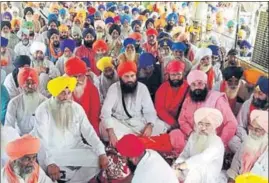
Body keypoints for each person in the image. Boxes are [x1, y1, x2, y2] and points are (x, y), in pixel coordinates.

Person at [34, 76, 108, 182]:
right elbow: (41, 140)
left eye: (69, 92)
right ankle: (68, 175)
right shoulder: (43, 110)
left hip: (75, 149)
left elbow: (89, 132)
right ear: (54, 93)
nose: (66, 96)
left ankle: (72, 180)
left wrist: (101, 152)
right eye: (62, 92)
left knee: (98, 159)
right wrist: (50, 162)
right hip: (53, 153)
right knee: (50, 168)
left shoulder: (76, 108)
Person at [100, 61, 167, 146]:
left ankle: (131, 141)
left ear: (136, 76)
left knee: (160, 126)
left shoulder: (142, 88)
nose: (130, 80)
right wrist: (111, 132)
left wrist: (150, 125)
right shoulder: (113, 89)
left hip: (138, 121)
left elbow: (149, 110)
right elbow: (105, 112)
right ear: (120, 77)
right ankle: (140, 141)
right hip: (120, 122)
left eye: (132, 76)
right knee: (103, 126)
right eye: (126, 77)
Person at [170, 70, 237, 153]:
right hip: (192, 136)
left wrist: (219, 142)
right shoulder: (188, 100)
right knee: (175, 134)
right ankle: (185, 156)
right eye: (193, 85)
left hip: (210, 138)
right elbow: (182, 120)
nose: (197, 87)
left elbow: (232, 123)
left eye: (200, 83)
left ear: (205, 84)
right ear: (190, 87)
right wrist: (191, 133)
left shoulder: (217, 99)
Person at [173, 107, 225, 183]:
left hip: (207, 176)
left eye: (207, 125)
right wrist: (177, 165)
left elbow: (203, 158)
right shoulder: (194, 136)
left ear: (213, 126)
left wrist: (183, 165)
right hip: (189, 168)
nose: (203, 128)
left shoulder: (217, 142)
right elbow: (185, 153)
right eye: (200, 124)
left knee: (195, 172)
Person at [229, 76, 269, 153]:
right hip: (247, 137)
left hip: (263, 145)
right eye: (255, 92)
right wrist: (247, 140)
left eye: (260, 94)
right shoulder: (249, 103)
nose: (255, 96)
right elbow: (239, 125)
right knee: (233, 141)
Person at [226, 110, 268, 183]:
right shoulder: (247, 142)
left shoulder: (266, 151)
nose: (253, 132)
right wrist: (231, 180)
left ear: (266, 131)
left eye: (257, 129)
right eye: (251, 127)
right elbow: (234, 168)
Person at [64, 56, 101, 136]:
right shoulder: (62, 89)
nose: (77, 79)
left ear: (84, 75)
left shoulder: (92, 90)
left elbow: (94, 116)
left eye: (80, 76)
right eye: (74, 76)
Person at [5, 67, 47, 136]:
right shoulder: (14, 103)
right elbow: (9, 127)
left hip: (40, 139)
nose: (30, 86)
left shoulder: (45, 102)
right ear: (21, 86)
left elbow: (43, 128)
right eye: (27, 84)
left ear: (37, 84)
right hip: (19, 138)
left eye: (33, 83)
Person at [155, 61, 189, 131]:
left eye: (178, 75)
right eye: (173, 75)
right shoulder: (163, 88)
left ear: (183, 74)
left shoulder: (188, 87)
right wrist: (173, 122)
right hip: (164, 121)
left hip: (184, 122)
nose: (176, 78)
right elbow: (159, 109)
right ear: (169, 75)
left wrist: (181, 123)